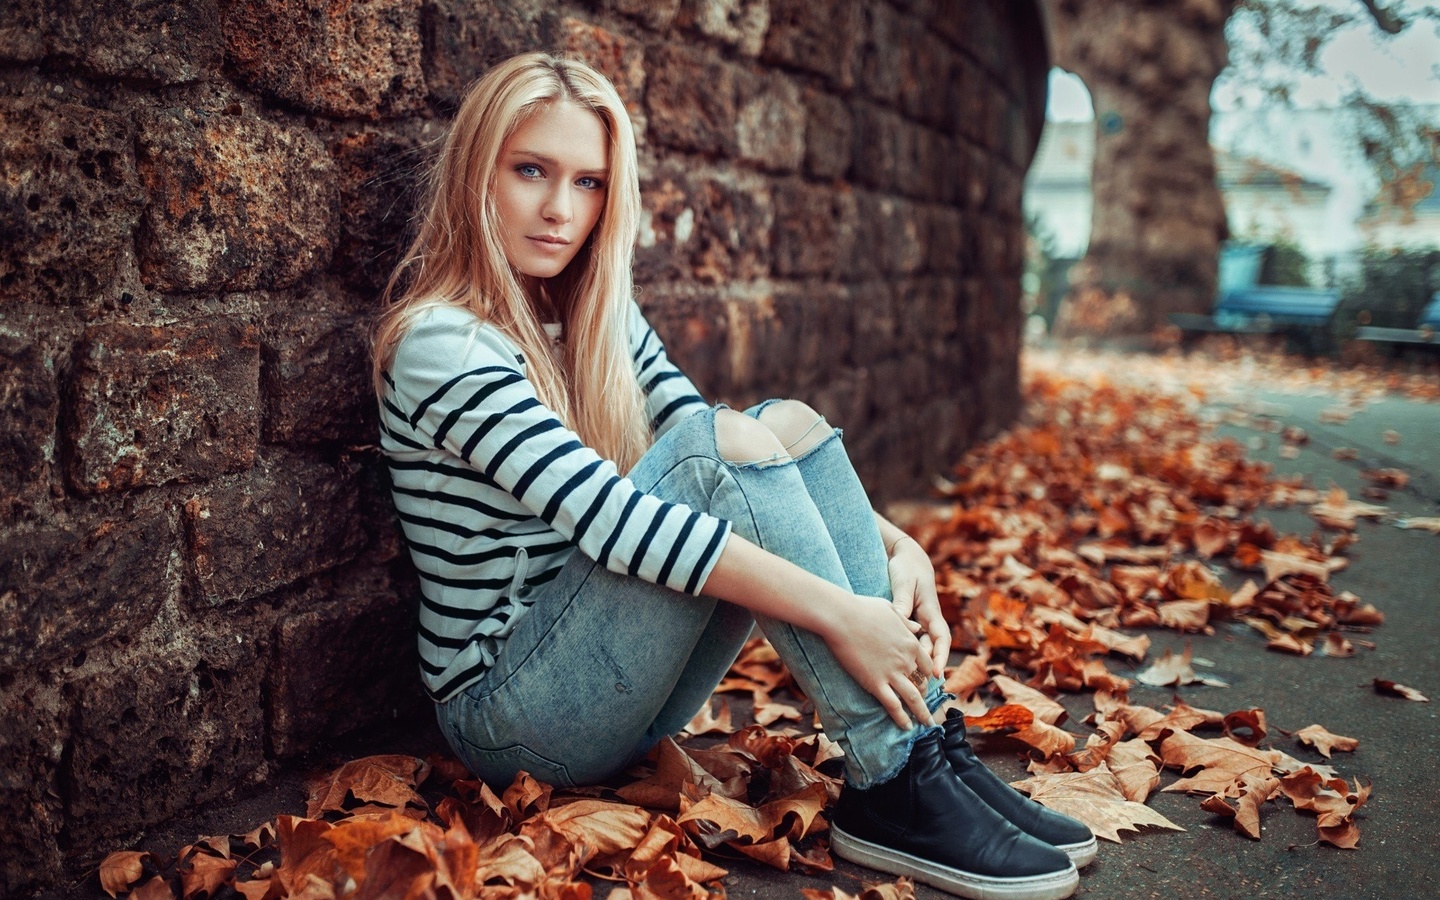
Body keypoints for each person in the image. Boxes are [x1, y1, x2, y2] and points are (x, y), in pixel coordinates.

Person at [371, 51, 1094, 900]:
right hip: (514, 717)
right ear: (475, 173)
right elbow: (618, 517)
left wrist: (900, 545)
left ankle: (921, 744)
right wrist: (845, 614)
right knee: (724, 451)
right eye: (530, 170)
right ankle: (894, 774)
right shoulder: (441, 345)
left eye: (590, 183)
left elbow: (725, 441)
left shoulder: (590, 313)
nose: (561, 210)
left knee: (781, 423)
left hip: (614, 687)